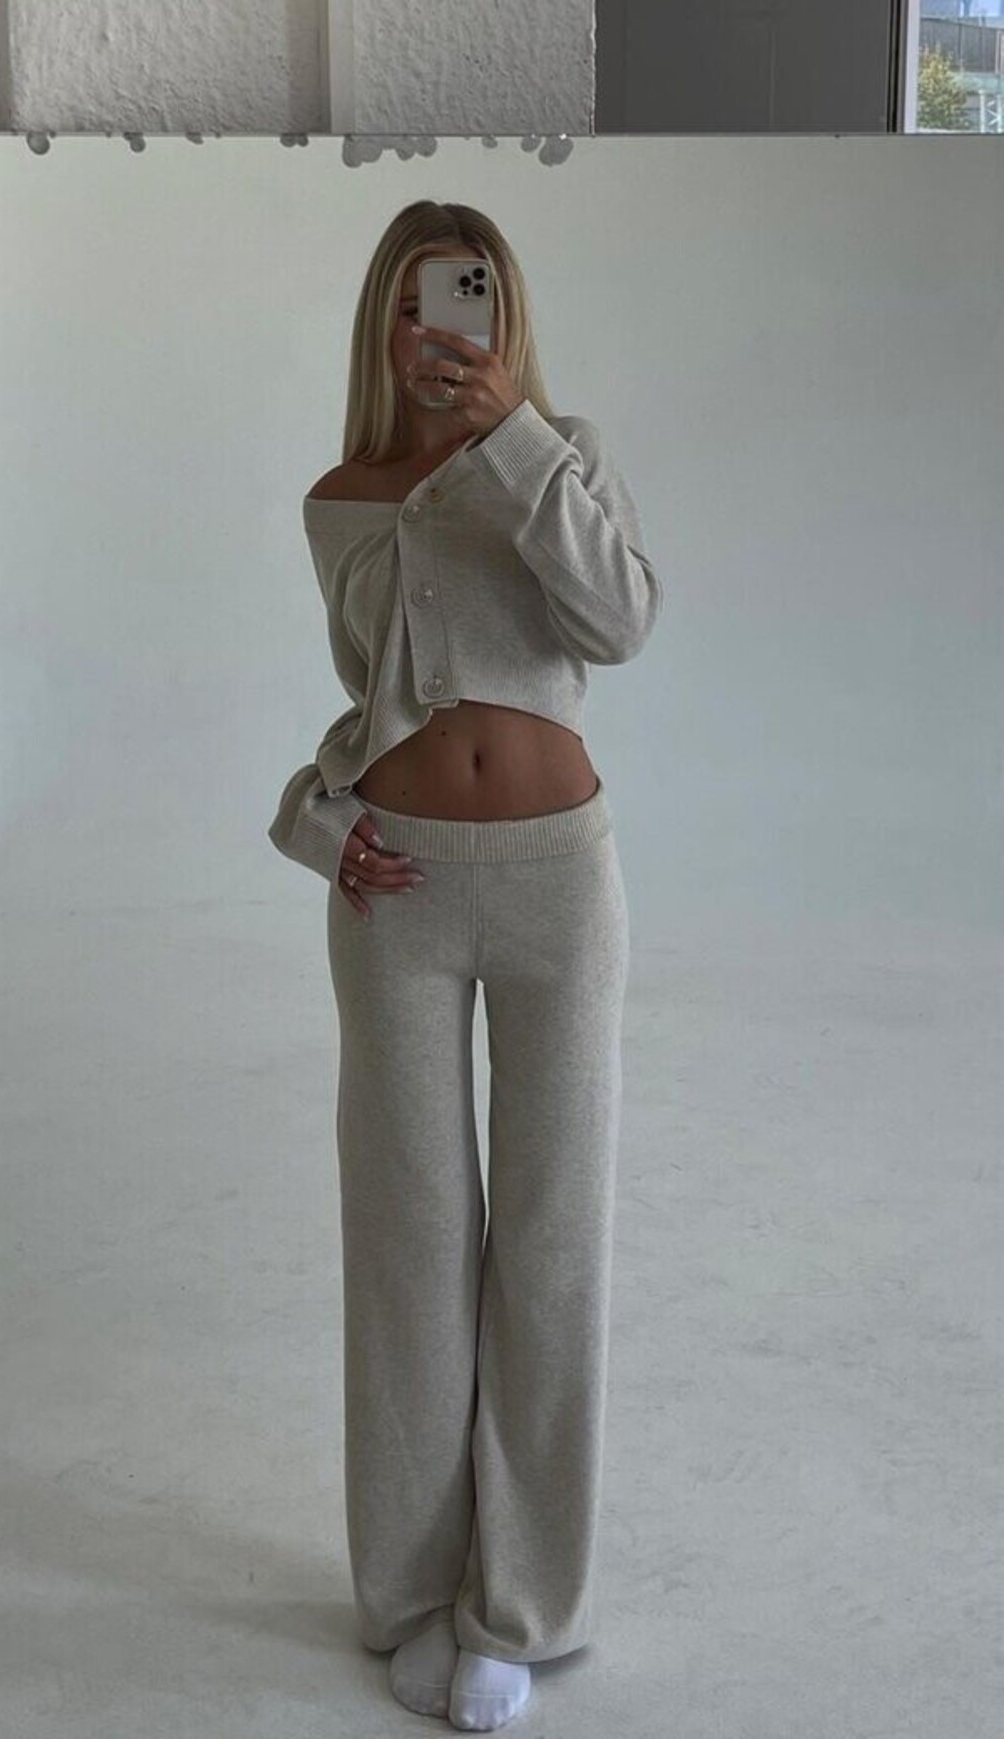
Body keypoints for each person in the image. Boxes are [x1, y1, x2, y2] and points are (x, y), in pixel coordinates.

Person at [272, 199, 662, 1731]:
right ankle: (414, 1593)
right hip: (404, 893)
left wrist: (513, 443)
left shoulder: (561, 459)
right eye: (418, 298)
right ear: (383, 319)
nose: (441, 325)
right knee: (410, 1246)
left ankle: (520, 1609)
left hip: (562, 885)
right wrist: (318, 821)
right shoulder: (341, 501)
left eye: (472, 294)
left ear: (506, 314)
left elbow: (620, 623)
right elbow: (376, 702)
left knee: (552, 1248)